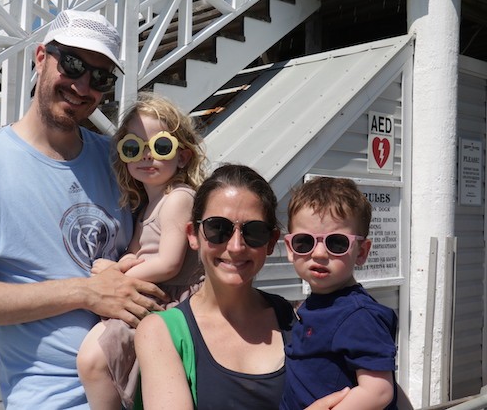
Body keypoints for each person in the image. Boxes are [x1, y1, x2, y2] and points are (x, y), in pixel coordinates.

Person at [0, 9, 168, 409]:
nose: (83, 86)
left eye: (101, 78)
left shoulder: (120, 161)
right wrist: (85, 292)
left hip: (150, 387)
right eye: (73, 65)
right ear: (41, 57)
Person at [135, 164, 350, 410]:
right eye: (218, 228)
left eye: (254, 232)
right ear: (193, 235)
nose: (236, 246)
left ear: (271, 242)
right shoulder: (160, 332)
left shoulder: (293, 319)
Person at [76, 92, 207, 409]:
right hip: (152, 293)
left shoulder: (178, 198)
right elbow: (135, 253)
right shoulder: (147, 205)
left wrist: (117, 274)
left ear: (182, 157)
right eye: (133, 148)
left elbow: (168, 264)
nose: (147, 156)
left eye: (161, 147)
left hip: (169, 300)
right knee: (94, 358)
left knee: (93, 357)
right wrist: (119, 264)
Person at [281, 176, 398, 410]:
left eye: (337, 243)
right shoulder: (316, 305)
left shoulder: (359, 316)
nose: (319, 253)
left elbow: (378, 391)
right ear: (290, 249)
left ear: (361, 252)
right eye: (304, 242)